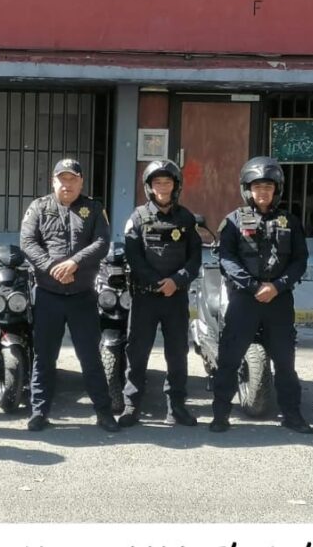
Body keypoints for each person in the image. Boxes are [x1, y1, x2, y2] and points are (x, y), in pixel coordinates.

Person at [209, 156, 311, 434]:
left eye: (268, 186)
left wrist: (277, 286)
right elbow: (226, 260)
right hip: (245, 300)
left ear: (277, 189)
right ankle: (220, 415)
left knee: (285, 362)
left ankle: (292, 414)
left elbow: (300, 260)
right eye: (257, 187)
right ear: (247, 189)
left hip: (279, 300)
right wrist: (254, 287)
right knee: (229, 359)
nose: (263, 192)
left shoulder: (290, 221)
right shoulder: (232, 221)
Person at [20, 158, 120, 432]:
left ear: (81, 181)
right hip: (48, 294)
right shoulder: (38, 208)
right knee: (44, 356)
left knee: (90, 357)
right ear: (53, 182)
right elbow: (27, 242)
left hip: (81, 296)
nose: (67, 184)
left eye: (72, 179)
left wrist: (74, 263)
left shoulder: (94, 208)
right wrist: (53, 267)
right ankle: (39, 412)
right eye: (62, 179)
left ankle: (103, 412)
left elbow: (101, 242)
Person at [118, 160, 201, 427]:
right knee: (137, 352)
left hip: (175, 298)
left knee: (177, 353)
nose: (162, 188)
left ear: (176, 186)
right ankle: (131, 405)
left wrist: (177, 281)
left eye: (167, 182)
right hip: (146, 298)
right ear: (149, 187)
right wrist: (156, 283)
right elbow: (134, 257)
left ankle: (176, 406)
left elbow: (195, 258)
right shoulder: (138, 217)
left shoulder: (186, 219)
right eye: (157, 183)